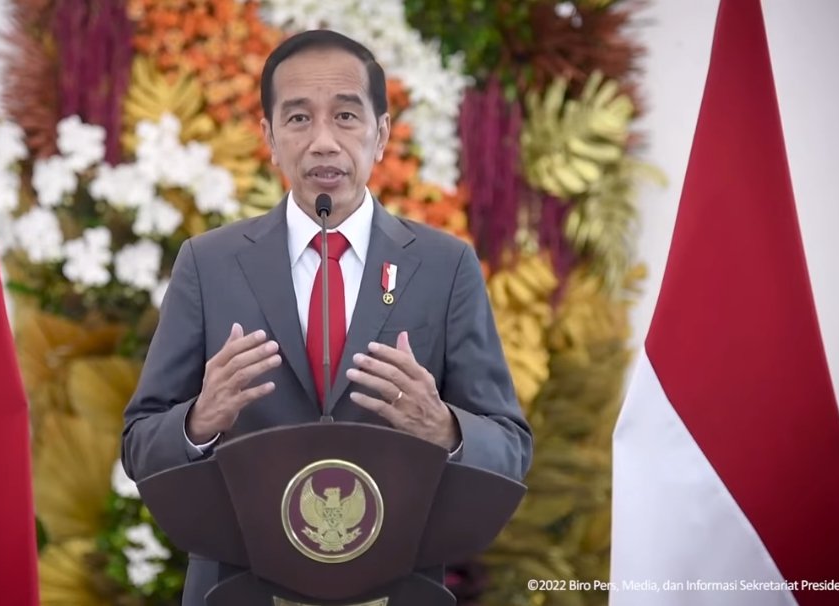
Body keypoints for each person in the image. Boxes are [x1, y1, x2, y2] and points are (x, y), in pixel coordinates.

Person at [122, 29, 533, 605]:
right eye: (298, 118)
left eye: (345, 116)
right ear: (269, 137)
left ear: (381, 134)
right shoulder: (208, 264)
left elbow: (511, 449)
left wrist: (445, 427)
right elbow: (139, 444)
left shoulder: (445, 267)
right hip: (240, 587)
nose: (323, 142)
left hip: (394, 587)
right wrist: (198, 421)